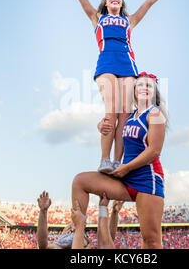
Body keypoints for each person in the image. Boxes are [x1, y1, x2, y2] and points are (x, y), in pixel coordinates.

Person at [54, 0, 172, 173]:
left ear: (122, 2)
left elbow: (148, 3)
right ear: (106, 1)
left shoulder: (129, 21)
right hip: (106, 63)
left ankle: (118, 162)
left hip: (127, 65)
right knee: (111, 111)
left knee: (125, 114)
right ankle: (104, 159)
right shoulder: (96, 17)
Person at [72, 72, 168, 248]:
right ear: (133, 90)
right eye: (140, 85)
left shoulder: (154, 115)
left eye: (149, 86)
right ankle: (75, 231)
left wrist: (126, 168)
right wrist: (100, 125)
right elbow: (111, 123)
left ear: (155, 93)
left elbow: (154, 150)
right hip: (125, 178)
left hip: (147, 180)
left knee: (151, 240)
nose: (144, 88)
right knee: (80, 181)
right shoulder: (129, 116)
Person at [37, 190, 123, 249]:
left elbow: (108, 240)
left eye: (72, 227)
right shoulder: (58, 243)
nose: (71, 229)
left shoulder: (86, 241)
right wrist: (43, 211)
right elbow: (43, 245)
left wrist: (114, 213)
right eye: (70, 229)